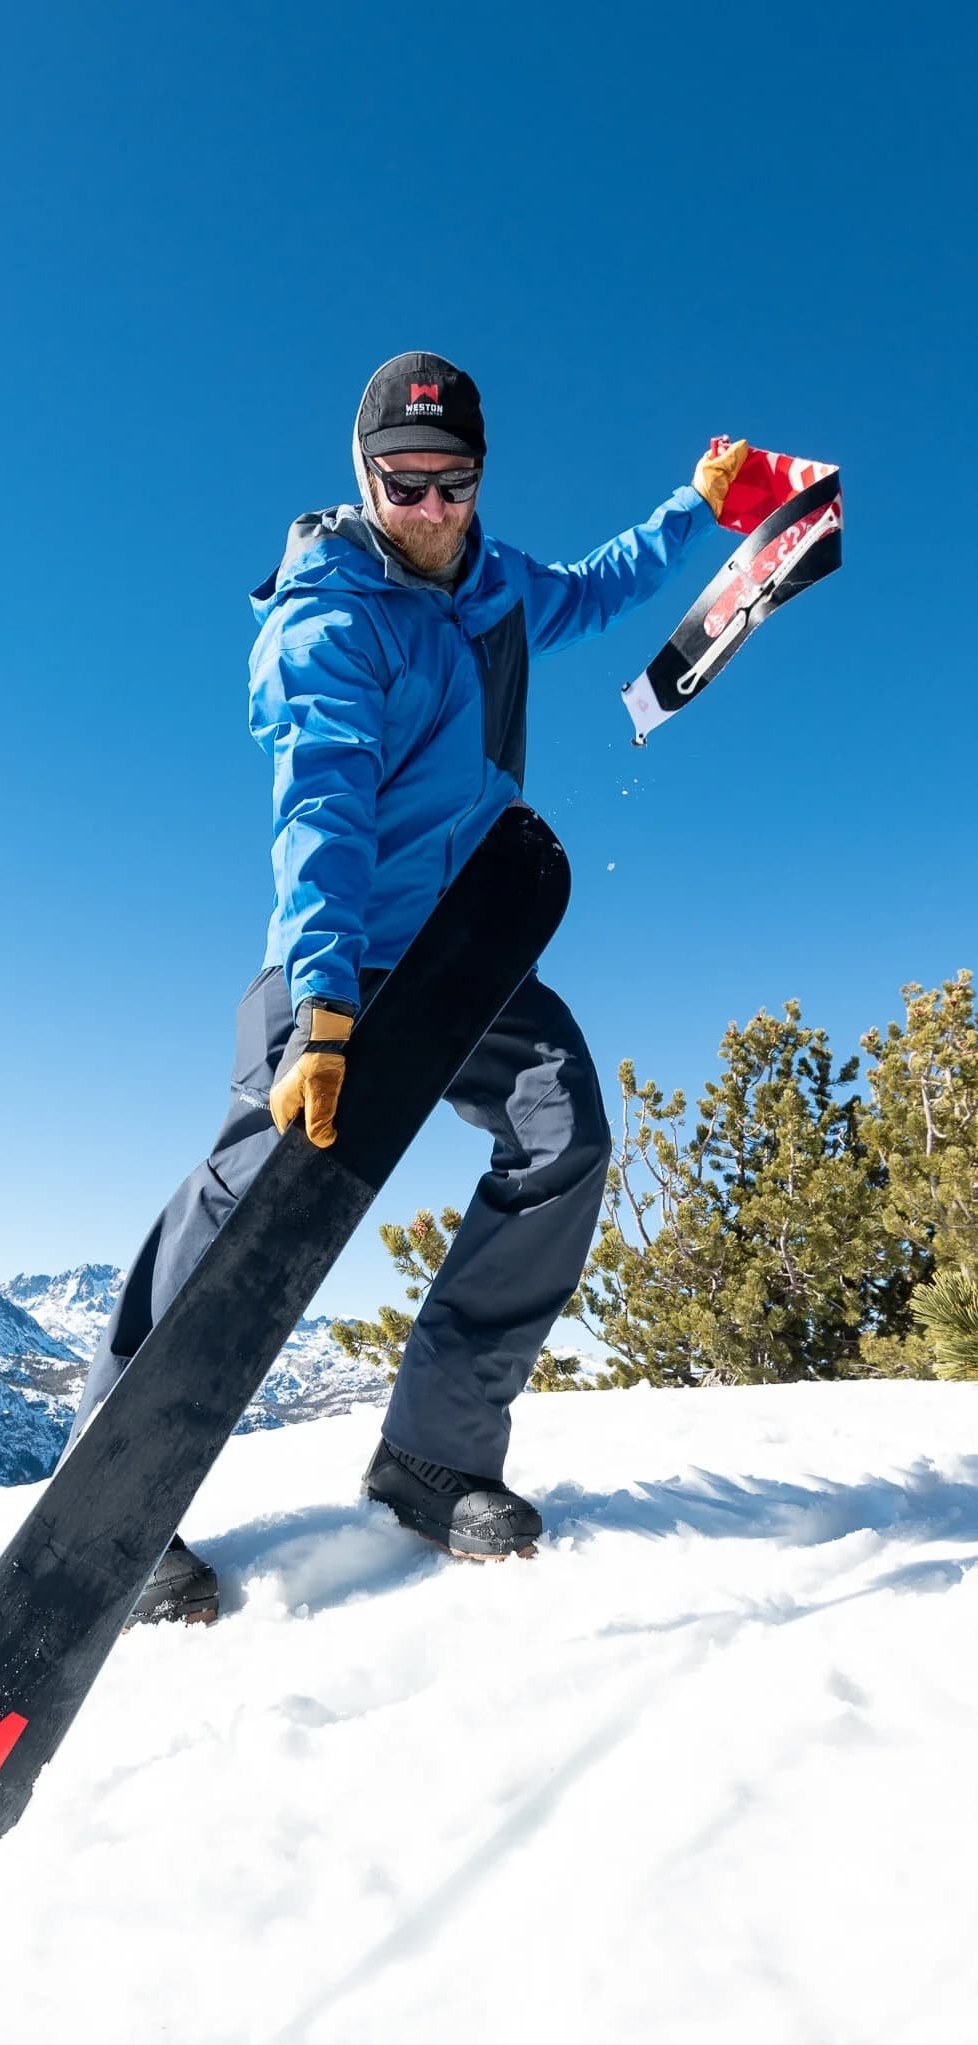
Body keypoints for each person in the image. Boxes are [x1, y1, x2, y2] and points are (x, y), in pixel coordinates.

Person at [69, 351, 746, 1624]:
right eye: (403, 482)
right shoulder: (328, 619)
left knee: (563, 1133)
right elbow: (319, 811)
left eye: (454, 483)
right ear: (363, 475)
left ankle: (432, 1455)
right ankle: (110, 1486)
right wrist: (322, 1005)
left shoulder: (496, 584)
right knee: (257, 1187)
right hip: (339, 953)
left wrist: (695, 507)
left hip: (462, 952)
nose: (430, 509)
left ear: (480, 478)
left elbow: (597, 589)